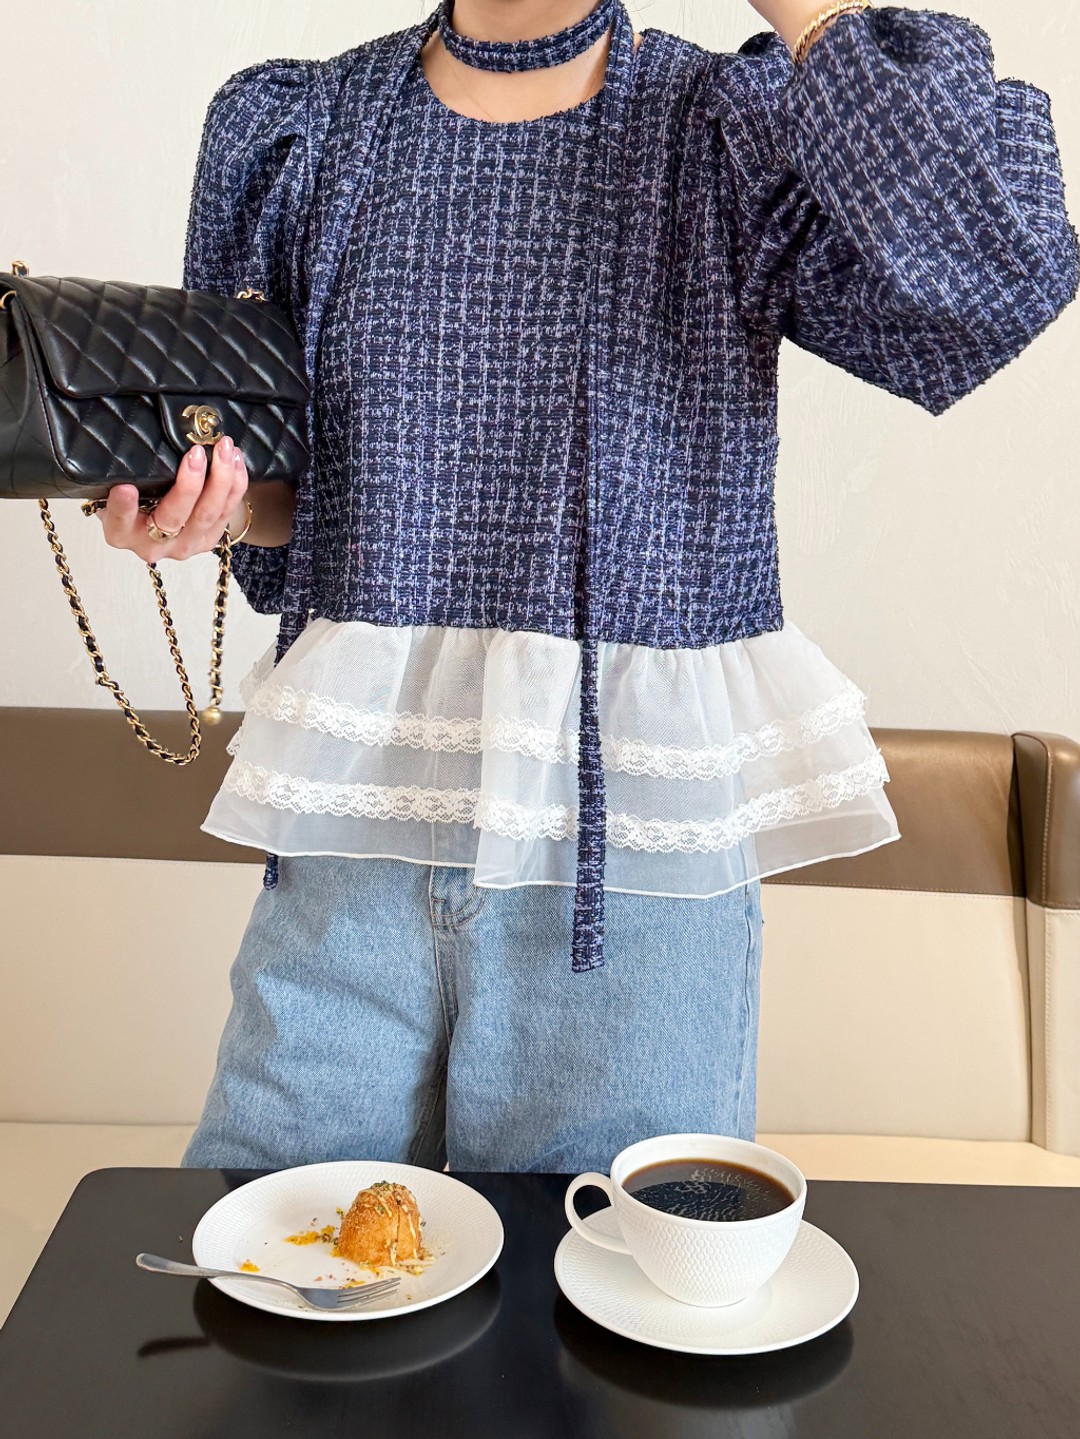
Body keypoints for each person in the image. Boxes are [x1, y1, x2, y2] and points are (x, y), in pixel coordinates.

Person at [96, 0, 1078, 1173]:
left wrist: (806, 13)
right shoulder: (302, 132)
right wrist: (206, 510)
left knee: (608, 1276)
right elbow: (305, 516)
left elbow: (995, 278)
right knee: (270, 1261)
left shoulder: (724, 132)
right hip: (355, 840)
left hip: (633, 869)